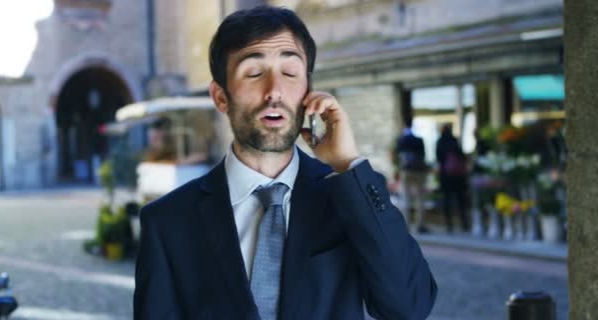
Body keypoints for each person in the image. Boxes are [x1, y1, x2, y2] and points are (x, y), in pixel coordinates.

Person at [134, 6, 437, 320]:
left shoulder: (348, 197)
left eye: (290, 74)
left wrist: (347, 163)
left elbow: (410, 306)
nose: (274, 92)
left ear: (308, 90)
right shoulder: (167, 222)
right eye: (253, 74)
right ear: (221, 97)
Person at [393, 123, 430, 233]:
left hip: (406, 170)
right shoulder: (419, 140)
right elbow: (423, 155)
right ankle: (420, 224)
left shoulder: (401, 140)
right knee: (420, 198)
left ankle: (406, 224)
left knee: (405, 197)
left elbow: (395, 156)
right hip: (419, 170)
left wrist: (397, 169)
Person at [436, 123, 469, 233]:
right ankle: (464, 222)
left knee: (447, 199)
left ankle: (449, 223)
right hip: (458, 176)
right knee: (460, 199)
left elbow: (439, 158)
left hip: (446, 175)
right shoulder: (454, 141)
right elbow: (462, 156)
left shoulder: (440, 142)